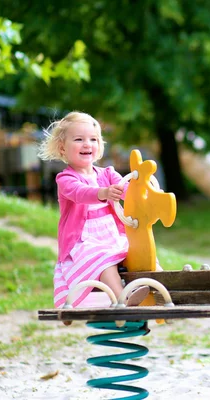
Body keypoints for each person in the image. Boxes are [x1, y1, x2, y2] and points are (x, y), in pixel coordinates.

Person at [38, 111, 149, 319]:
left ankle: (158, 293)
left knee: (140, 250)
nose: (87, 144)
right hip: (84, 240)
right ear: (63, 148)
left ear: (100, 146)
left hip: (111, 234)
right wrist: (104, 193)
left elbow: (127, 191)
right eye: (79, 139)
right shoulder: (65, 179)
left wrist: (137, 190)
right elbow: (80, 193)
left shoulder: (107, 174)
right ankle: (122, 299)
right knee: (104, 259)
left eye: (93, 139)